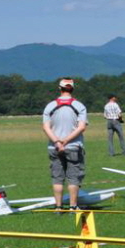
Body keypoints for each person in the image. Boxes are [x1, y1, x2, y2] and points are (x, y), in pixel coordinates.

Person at [42, 78, 88, 210]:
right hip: (74, 146)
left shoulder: (50, 106)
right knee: (74, 178)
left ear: (59, 88)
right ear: (72, 89)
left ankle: (58, 207)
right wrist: (66, 141)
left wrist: (57, 142)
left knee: (57, 178)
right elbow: (81, 127)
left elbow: (46, 127)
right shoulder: (79, 106)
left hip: (54, 147)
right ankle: (73, 207)